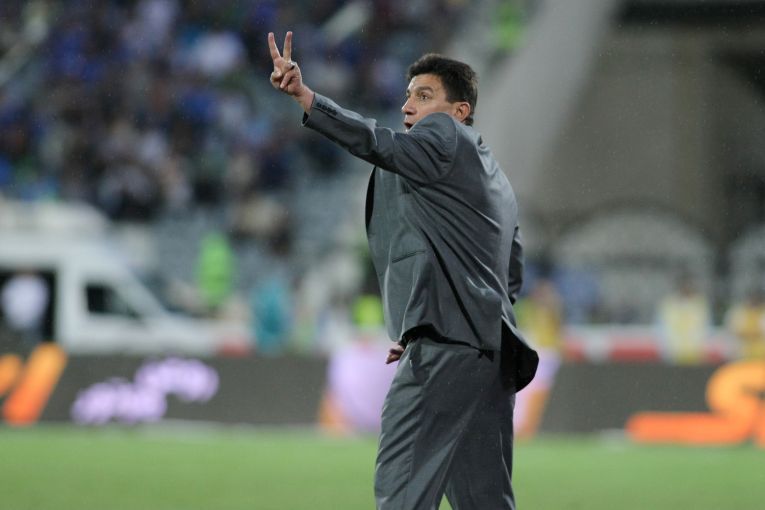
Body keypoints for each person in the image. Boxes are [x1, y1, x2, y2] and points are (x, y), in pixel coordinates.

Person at [268, 32, 538, 509]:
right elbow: (509, 274)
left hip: (445, 354)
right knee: (486, 501)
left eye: (424, 95)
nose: (408, 105)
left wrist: (307, 98)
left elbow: (378, 143)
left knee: (403, 487)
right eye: (409, 94)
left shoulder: (445, 137)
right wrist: (434, 315)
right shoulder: (496, 181)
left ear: (459, 111)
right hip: (489, 357)